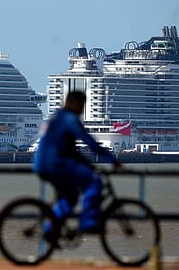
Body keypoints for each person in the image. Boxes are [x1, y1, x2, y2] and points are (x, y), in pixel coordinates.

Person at [33, 91, 121, 233]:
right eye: (82, 105)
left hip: (40, 164)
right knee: (94, 182)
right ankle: (88, 223)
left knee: (70, 197)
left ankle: (50, 230)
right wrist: (112, 159)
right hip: (55, 164)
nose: (82, 109)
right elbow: (89, 142)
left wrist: (88, 165)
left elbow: (71, 150)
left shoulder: (55, 117)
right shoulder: (69, 119)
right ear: (75, 103)